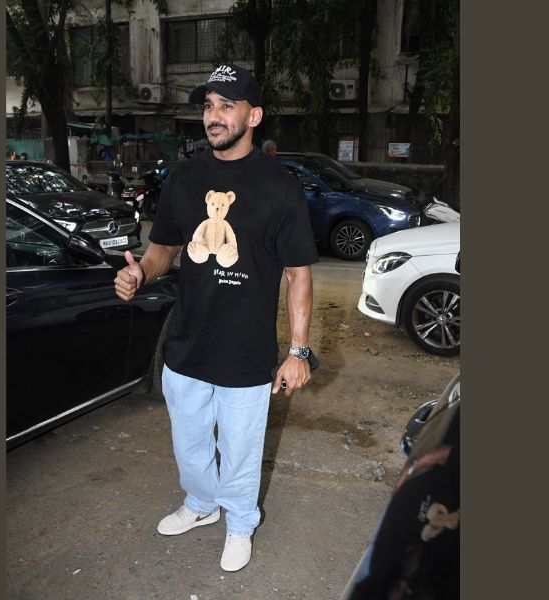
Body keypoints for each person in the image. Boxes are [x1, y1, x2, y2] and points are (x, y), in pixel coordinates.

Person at [114, 64, 318, 572]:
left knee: (241, 448)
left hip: (246, 350)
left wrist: (298, 351)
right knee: (189, 443)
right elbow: (164, 248)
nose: (214, 116)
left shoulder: (279, 186)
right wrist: (141, 272)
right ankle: (202, 503)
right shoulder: (185, 178)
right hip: (186, 341)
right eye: (208, 106)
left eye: (227, 105)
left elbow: (298, 273)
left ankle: (241, 521)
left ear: (254, 116)